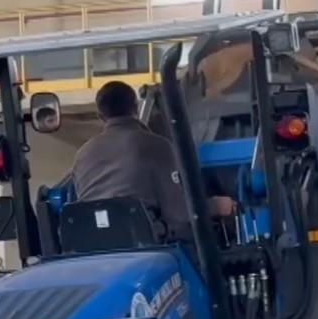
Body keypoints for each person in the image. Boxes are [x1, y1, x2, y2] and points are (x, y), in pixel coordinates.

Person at [70, 81, 233, 240]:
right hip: (140, 238)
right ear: (135, 106)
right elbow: (178, 213)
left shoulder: (82, 154)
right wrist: (217, 205)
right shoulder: (157, 146)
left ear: (100, 116)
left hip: (90, 241)